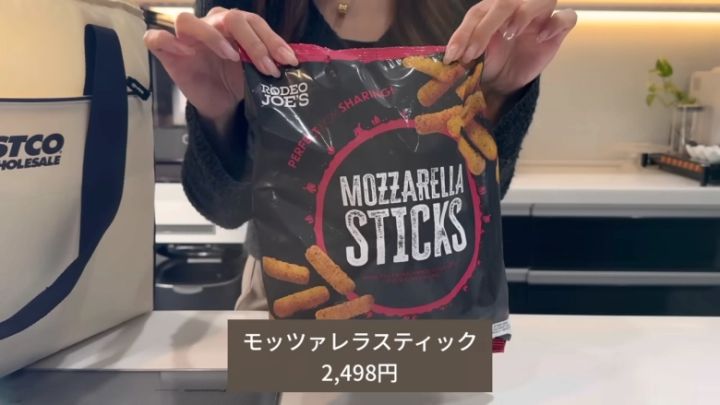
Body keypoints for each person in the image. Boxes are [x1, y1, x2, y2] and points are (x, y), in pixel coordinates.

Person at [145, 0, 577, 310]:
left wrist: (501, 95)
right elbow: (224, 208)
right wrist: (218, 112)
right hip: (288, 299)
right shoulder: (244, 9)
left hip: (435, 296)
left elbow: (481, 200)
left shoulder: (471, 10)